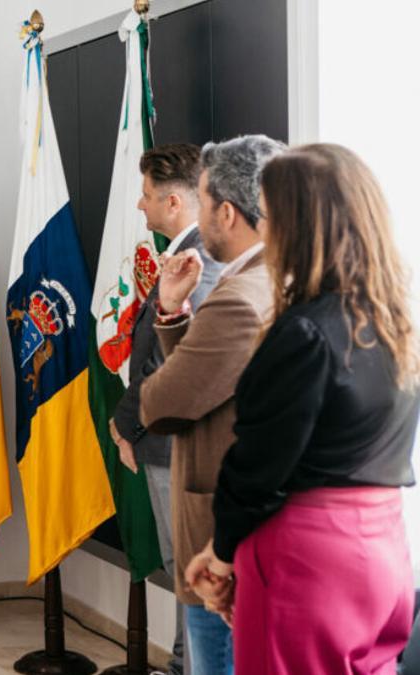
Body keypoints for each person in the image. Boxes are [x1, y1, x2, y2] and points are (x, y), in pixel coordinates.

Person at [185, 144, 418, 674]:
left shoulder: (305, 332)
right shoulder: (394, 327)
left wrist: (221, 555)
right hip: (383, 550)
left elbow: (259, 466)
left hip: (307, 559)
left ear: (298, 223)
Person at [138, 135, 285, 674]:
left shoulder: (240, 296)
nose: (197, 217)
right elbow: (206, 382)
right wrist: (173, 316)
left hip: (222, 536)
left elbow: (164, 403)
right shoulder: (273, 278)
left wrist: (174, 330)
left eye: (200, 201)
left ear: (226, 211)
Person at [108, 143, 221, 675]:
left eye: (147, 195)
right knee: (183, 567)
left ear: (174, 203)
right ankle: (182, 664)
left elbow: (167, 364)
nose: (140, 206)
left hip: (175, 442)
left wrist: (125, 423)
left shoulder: (201, 260)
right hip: (165, 437)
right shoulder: (191, 250)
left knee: (187, 566)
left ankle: (186, 667)